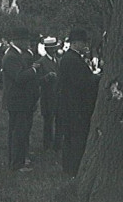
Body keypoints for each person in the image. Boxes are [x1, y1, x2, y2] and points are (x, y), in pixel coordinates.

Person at [57, 28, 100, 177]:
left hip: (69, 105)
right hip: (76, 106)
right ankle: (74, 169)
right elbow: (82, 83)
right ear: (75, 43)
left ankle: (69, 168)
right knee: (77, 138)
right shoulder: (73, 60)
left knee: (70, 138)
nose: (85, 44)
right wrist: (97, 77)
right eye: (83, 42)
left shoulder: (70, 58)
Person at [2, 26, 42, 172]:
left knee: (21, 131)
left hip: (21, 100)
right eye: (26, 40)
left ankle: (19, 159)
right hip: (17, 100)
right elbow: (19, 78)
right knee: (18, 132)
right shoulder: (11, 57)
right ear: (18, 41)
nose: (28, 43)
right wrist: (33, 69)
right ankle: (16, 164)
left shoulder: (18, 55)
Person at [37, 36, 61, 151]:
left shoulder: (58, 61)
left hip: (58, 95)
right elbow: (37, 81)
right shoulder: (41, 62)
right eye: (51, 49)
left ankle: (57, 144)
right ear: (46, 49)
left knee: (59, 120)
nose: (54, 50)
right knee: (48, 121)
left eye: (55, 48)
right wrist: (47, 77)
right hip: (48, 96)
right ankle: (47, 145)